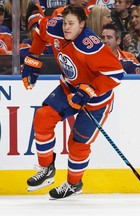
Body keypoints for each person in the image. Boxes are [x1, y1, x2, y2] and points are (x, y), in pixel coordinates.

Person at [21, 4, 124, 199]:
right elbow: (40, 33)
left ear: (82, 24)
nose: (66, 28)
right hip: (69, 87)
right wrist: (32, 59)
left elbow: (116, 74)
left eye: (71, 24)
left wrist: (89, 90)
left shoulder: (90, 45)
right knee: (43, 117)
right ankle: (46, 168)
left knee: (77, 144)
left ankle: (73, 184)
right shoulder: (54, 27)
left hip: (96, 100)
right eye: (65, 23)